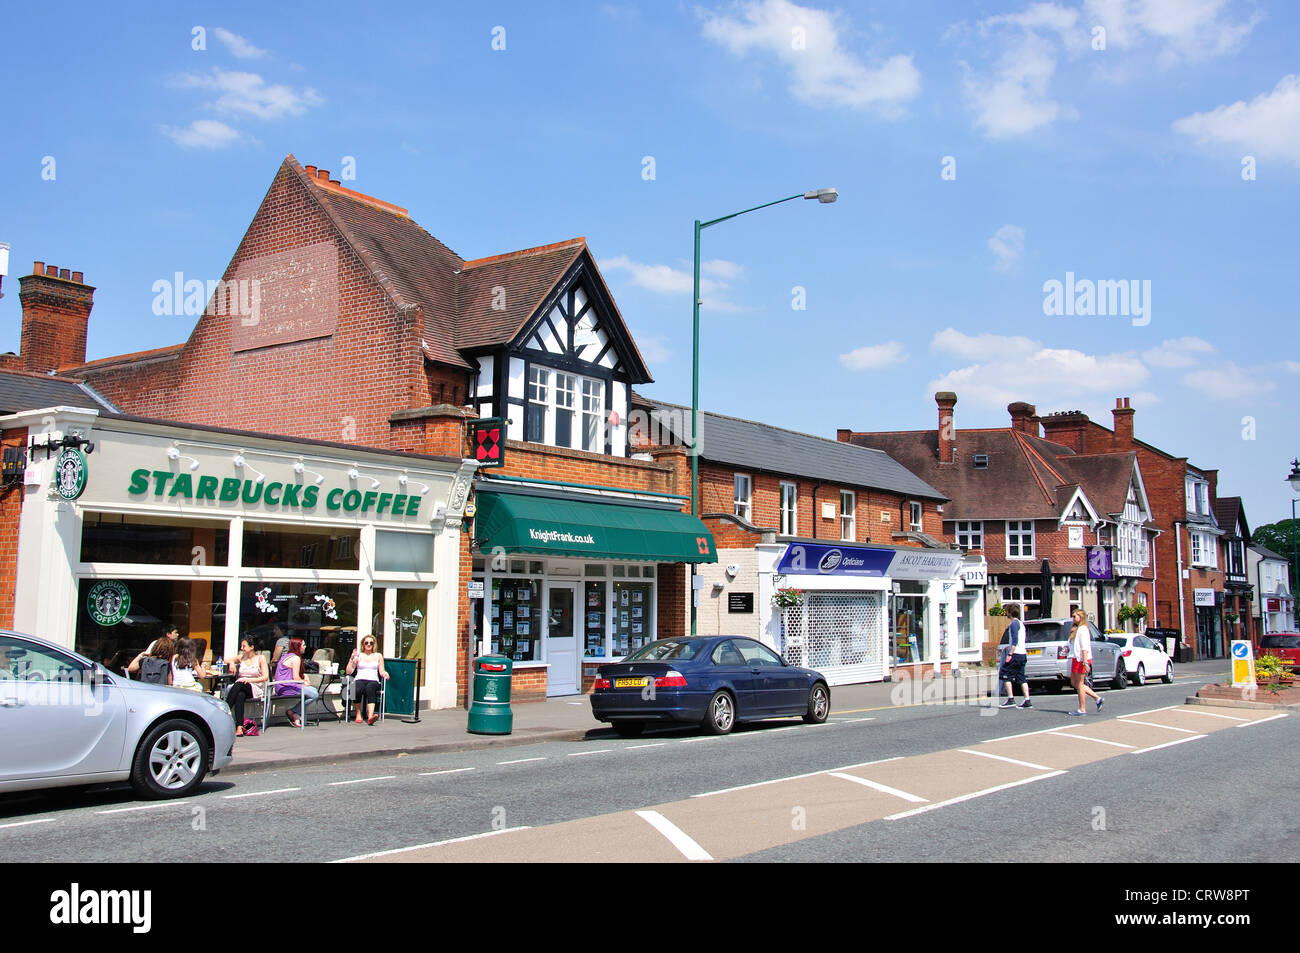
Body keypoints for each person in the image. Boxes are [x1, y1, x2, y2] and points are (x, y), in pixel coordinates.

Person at [225, 638, 268, 735]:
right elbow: (226, 659)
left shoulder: (260, 658)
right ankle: (239, 728)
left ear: (252, 647)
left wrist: (247, 680)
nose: (242, 648)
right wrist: (232, 663)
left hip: (255, 687)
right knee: (240, 695)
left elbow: (265, 677)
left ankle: (225, 710)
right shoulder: (242, 657)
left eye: (244, 646)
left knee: (239, 684)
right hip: (241, 687)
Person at [273, 637, 318, 728]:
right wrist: (304, 682)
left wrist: (305, 678)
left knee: (313, 690)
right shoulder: (295, 658)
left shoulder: (287, 656)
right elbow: (296, 677)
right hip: (287, 687)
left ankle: (295, 713)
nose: (305, 647)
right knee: (314, 694)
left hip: (281, 686)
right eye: (303, 645)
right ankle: (294, 712)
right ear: (298, 646)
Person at [1067, 609, 1103, 716]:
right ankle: (1097, 698)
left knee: (1079, 684)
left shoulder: (1083, 629)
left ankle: (1082, 709)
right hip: (1076, 658)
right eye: (1072, 616)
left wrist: (1085, 661)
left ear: (1081, 617)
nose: (1073, 618)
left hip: (1081, 659)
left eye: (1075, 616)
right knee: (1074, 683)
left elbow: (1084, 646)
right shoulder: (1077, 629)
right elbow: (1073, 645)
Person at [346, 636, 388, 726]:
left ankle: (370, 716)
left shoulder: (378, 656)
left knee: (370, 688)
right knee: (356, 688)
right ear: (363, 644)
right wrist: (352, 659)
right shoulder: (359, 656)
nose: (368, 644)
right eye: (366, 643)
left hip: (373, 680)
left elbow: (381, 670)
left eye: (371, 643)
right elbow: (348, 671)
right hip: (360, 679)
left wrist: (385, 673)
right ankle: (358, 713)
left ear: (374, 644)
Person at [998, 604, 1031, 709]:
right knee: (1021, 677)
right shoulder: (1021, 624)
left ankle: (1010, 699)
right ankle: (1027, 700)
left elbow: (1015, 640)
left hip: (1015, 654)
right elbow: (1021, 640)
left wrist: (1010, 653)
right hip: (1022, 654)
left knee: (1005, 674)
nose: (1006, 613)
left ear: (1010, 612)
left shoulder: (1013, 624)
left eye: (1007, 611)